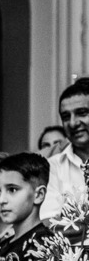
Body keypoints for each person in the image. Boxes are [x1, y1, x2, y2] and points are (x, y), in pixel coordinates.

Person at [44, 78, 89, 221]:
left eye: (82, 113)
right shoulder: (53, 167)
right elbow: (50, 222)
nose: (73, 123)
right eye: (66, 117)